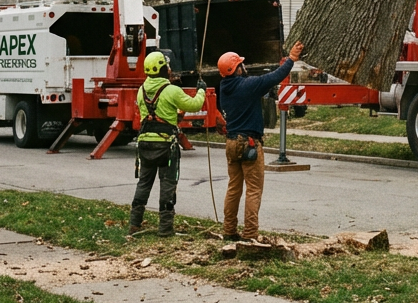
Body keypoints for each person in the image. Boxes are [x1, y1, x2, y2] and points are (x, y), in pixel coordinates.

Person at [217, 40, 304, 243]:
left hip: (231, 143)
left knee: (234, 188)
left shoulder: (224, 87)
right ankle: (250, 234)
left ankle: (229, 230)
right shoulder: (248, 85)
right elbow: (274, 77)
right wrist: (291, 59)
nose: (244, 66)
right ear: (236, 69)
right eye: (241, 64)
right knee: (254, 190)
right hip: (249, 143)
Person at [129, 51, 205, 236]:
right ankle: (165, 228)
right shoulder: (171, 90)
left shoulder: (141, 91)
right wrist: (201, 90)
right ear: (162, 68)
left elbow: (150, 114)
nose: (169, 69)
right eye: (167, 66)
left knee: (144, 183)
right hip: (166, 146)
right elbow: (195, 105)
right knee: (168, 184)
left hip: (145, 144)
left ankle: (134, 224)